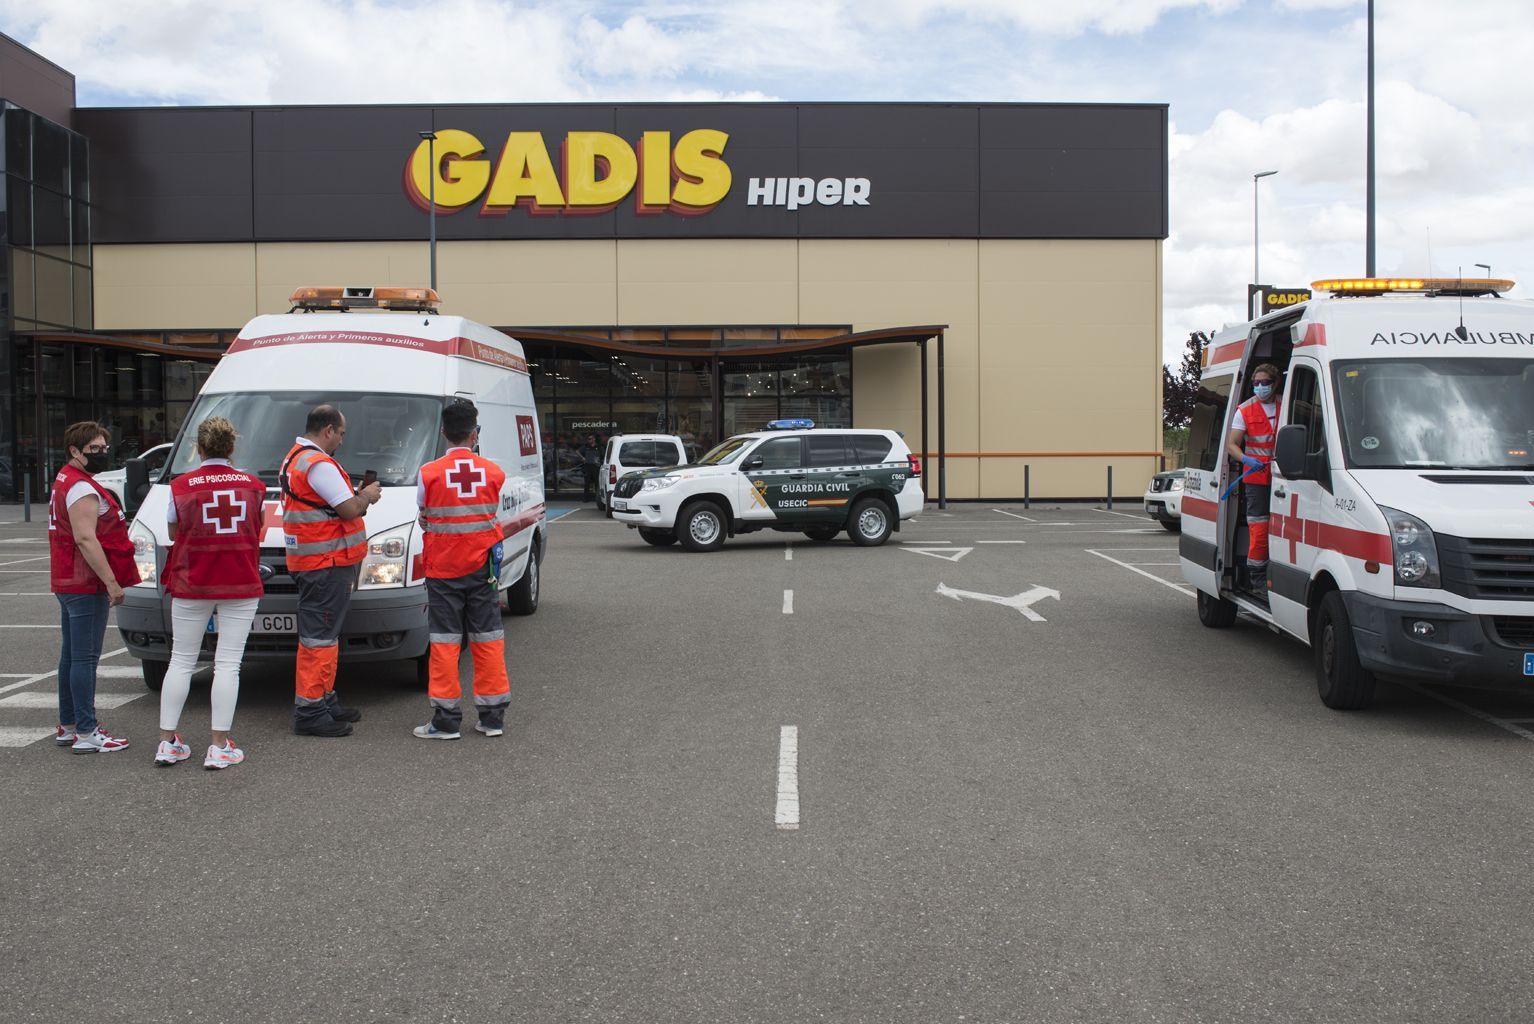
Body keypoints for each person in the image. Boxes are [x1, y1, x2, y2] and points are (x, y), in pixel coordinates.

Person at [155, 417, 265, 769]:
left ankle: (167, 742)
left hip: (192, 582)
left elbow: (174, 529)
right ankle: (219, 745)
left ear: (198, 448)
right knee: (228, 664)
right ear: (231, 448)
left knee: (181, 661)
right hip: (239, 581)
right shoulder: (253, 485)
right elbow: (256, 526)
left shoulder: (181, 486)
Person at [412, 399, 511, 740]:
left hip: (443, 570)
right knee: (488, 639)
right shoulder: (495, 472)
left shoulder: (428, 472)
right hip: (484, 568)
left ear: (443, 432)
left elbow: (425, 512)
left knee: (444, 642)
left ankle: (445, 720)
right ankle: (492, 717)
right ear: (474, 433)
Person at [280, 404, 381, 737]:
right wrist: (366, 495)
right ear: (327, 430)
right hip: (326, 562)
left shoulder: (296, 458)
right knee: (318, 639)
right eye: (341, 433)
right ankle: (310, 711)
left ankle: (324, 700)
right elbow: (349, 508)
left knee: (324, 637)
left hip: (317, 561)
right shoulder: (318, 464)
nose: (341, 439)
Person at [49, 421, 141, 753]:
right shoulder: (82, 488)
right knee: (84, 658)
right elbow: (86, 538)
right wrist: (112, 582)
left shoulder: (66, 479)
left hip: (67, 579)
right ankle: (86, 732)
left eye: (104, 448)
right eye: (95, 450)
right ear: (75, 451)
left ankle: (70, 725)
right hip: (84, 582)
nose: (103, 454)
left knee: (71, 656)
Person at [1226, 363, 1283, 597]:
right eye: (1256, 383)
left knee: (1282, 531)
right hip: (1257, 480)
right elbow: (1231, 445)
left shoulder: (1288, 403)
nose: (1260, 387)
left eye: (1265, 382)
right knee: (1259, 531)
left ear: (1275, 383)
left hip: (1286, 479)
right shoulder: (1245, 410)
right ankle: (1258, 582)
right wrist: (1247, 459)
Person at [580, 433, 600, 501]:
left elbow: (603, 454)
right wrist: (582, 458)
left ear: (594, 439)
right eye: (588, 439)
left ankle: (598, 498)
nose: (589, 440)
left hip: (596, 466)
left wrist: (599, 460)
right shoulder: (586, 446)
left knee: (597, 483)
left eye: (590, 439)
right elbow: (577, 451)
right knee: (587, 483)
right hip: (588, 466)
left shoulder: (598, 446)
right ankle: (586, 498)